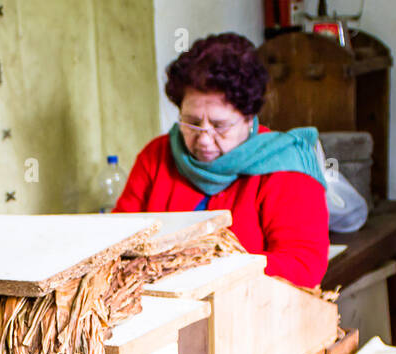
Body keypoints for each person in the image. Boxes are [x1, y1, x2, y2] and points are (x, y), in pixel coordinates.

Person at [113, 32, 330, 288]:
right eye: (192, 123)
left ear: (249, 118)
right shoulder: (157, 156)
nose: (204, 139)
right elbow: (117, 241)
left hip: (256, 312)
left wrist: (203, 265)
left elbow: (304, 267)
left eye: (220, 126)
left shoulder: (285, 166)